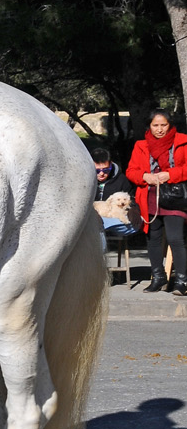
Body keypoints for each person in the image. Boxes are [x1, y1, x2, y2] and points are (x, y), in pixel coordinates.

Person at [126, 109, 187, 294]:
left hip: (175, 197)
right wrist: (145, 176)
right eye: (156, 125)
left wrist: (170, 174)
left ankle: (182, 281)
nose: (160, 129)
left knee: (176, 238)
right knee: (152, 239)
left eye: (163, 125)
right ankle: (158, 277)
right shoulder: (141, 145)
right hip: (150, 196)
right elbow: (131, 171)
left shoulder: (182, 141)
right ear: (149, 126)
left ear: (170, 125)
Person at [92, 145, 140, 247]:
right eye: (97, 170)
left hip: (115, 219)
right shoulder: (86, 180)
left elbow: (131, 196)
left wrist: (134, 208)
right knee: (96, 226)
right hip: (93, 218)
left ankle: (104, 228)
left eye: (105, 170)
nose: (101, 174)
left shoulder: (121, 179)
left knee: (135, 224)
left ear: (111, 165)